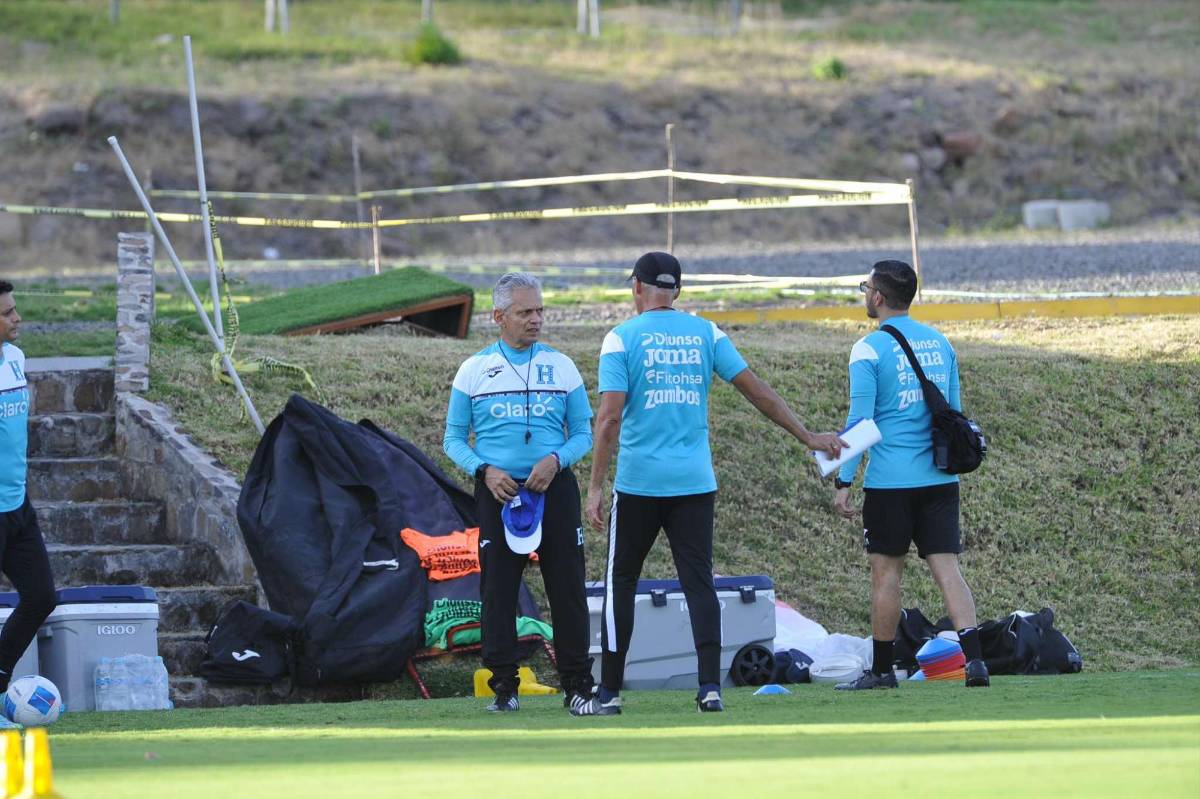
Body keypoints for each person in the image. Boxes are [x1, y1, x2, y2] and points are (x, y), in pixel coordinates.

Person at [572, 252, 846, 716]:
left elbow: (608, 419)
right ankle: (709, 688)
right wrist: (807, 436)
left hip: (639, 483)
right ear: (677, 290)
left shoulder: (620, 338)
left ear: (637, 288)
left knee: (621, 583)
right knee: (698, 582)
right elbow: (756, 389)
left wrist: (596, 486)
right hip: (695, 483)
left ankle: (610, 692)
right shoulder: (706, 333)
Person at [831, 259, 989, 690]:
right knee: (948, 570)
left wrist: (845, 481)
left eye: (866, 287)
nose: (865, 294)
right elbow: (952, 413)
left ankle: (882, 671)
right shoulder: (941, 343)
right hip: (940, 480)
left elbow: (859, 422)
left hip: (890, 483)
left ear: (878, 297)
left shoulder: (868, 349)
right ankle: (975, 663)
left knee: (886, 575)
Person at [443, 272, 595, 713]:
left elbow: (583, 432)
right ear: (498, 316)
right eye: (525, 312)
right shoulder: (473, 370)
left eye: (540, 311)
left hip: (554, 487)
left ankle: (577, 686)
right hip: (498, 491)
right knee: (498, 590)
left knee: (567, 588)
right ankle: (504, 689)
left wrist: (557, 460)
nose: (535, 320)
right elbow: (453, 439)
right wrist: (484, 471)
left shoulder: (562, 365)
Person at [0, 280, 57, 699]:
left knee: (41, 597)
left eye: (14, 309)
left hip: (18, 505)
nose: (16, 318)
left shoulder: (16, 358)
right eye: (7, 313)